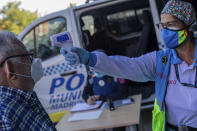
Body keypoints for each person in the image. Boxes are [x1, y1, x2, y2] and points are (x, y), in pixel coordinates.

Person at [61, 0, 197, 130]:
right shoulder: (162, 60)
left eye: (171, 24)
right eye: (162, 26)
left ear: (188, 25)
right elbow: (128, 66)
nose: (165, 31)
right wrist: (90, 59)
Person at [0, 31, 56, 130]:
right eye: (28, 57)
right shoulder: (7, 111)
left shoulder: (23, 99)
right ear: (11, 69)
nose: (35, 61)